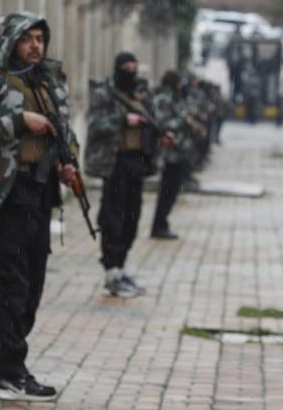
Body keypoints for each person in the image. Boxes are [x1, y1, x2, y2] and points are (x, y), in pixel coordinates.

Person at [0, 11, 79, 402]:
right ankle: (10, 371)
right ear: (10, 40)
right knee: (10, 284)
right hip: (9, 193)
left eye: (39, 39)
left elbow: (66, 131)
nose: (35, 46)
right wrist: (18, 120)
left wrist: (68, 162)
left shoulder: (48, 82)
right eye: (26, 38)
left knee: (33, 284)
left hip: (42, 191)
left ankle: (13, 362)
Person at [85, 52, 172, 297]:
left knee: (132, 218)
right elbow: (94, 124)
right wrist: (123, 120)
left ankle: (121, 268)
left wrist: (160, 134)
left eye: (134, 67)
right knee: (112, 218)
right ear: (117, 69)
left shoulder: (142, 94)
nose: (130, 71)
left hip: (137, 163)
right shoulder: (104, 93)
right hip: (114, 163)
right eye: (126, 67)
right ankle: (111, 270)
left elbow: (155, 120)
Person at [150, 71, 199, 240]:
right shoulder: (163, 98)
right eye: (179, 82)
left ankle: (162, 224)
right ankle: (159, 226)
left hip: (178, 151)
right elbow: (161, 123)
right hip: (169, 152)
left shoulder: (175, 97)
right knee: (167, 191)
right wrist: (183, 121)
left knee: (173, 191)